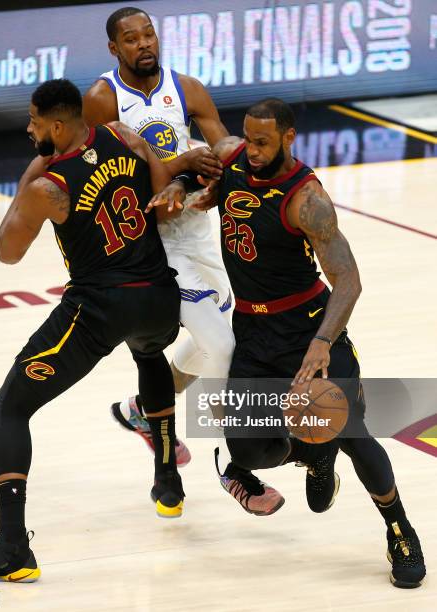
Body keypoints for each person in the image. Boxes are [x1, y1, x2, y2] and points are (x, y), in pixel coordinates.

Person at [0, 78, 187, 583]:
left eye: (34, 122)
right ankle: (168, 482)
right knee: (149, 355)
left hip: (102, 305)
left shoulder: (48, 185)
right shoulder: (122, 135)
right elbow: (166, 186)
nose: (28, 128)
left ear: (56, 126)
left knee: (9, 406)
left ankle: (13, 548)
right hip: (161, 297)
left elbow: (7, 253)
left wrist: (30, 180)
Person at [191, 98, 426, 588]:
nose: (252, 150)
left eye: (263, 142)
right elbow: (205, 164)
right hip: (253, 333)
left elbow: (348, 279)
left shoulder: (307, 198)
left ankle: (399, 527)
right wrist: (187, 186)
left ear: (289, 138)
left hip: (307, 327)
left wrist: (323, 342)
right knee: (248, 452)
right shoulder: (234, 158)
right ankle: (313, 453)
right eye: (248, 139)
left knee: (351, 428)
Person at [82, 6, 284, 516]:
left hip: (201, 232)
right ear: (114, 49)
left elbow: (223, 146)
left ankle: (143, 410)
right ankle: (233, 465)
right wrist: (180, 166)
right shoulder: (102, 99)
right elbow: (102, 176)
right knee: (224, 346)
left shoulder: (187, 87)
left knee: (214, 336)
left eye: (148, 34)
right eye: (131, 39)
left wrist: (238, 162)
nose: (143, 44)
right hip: (153, 246)